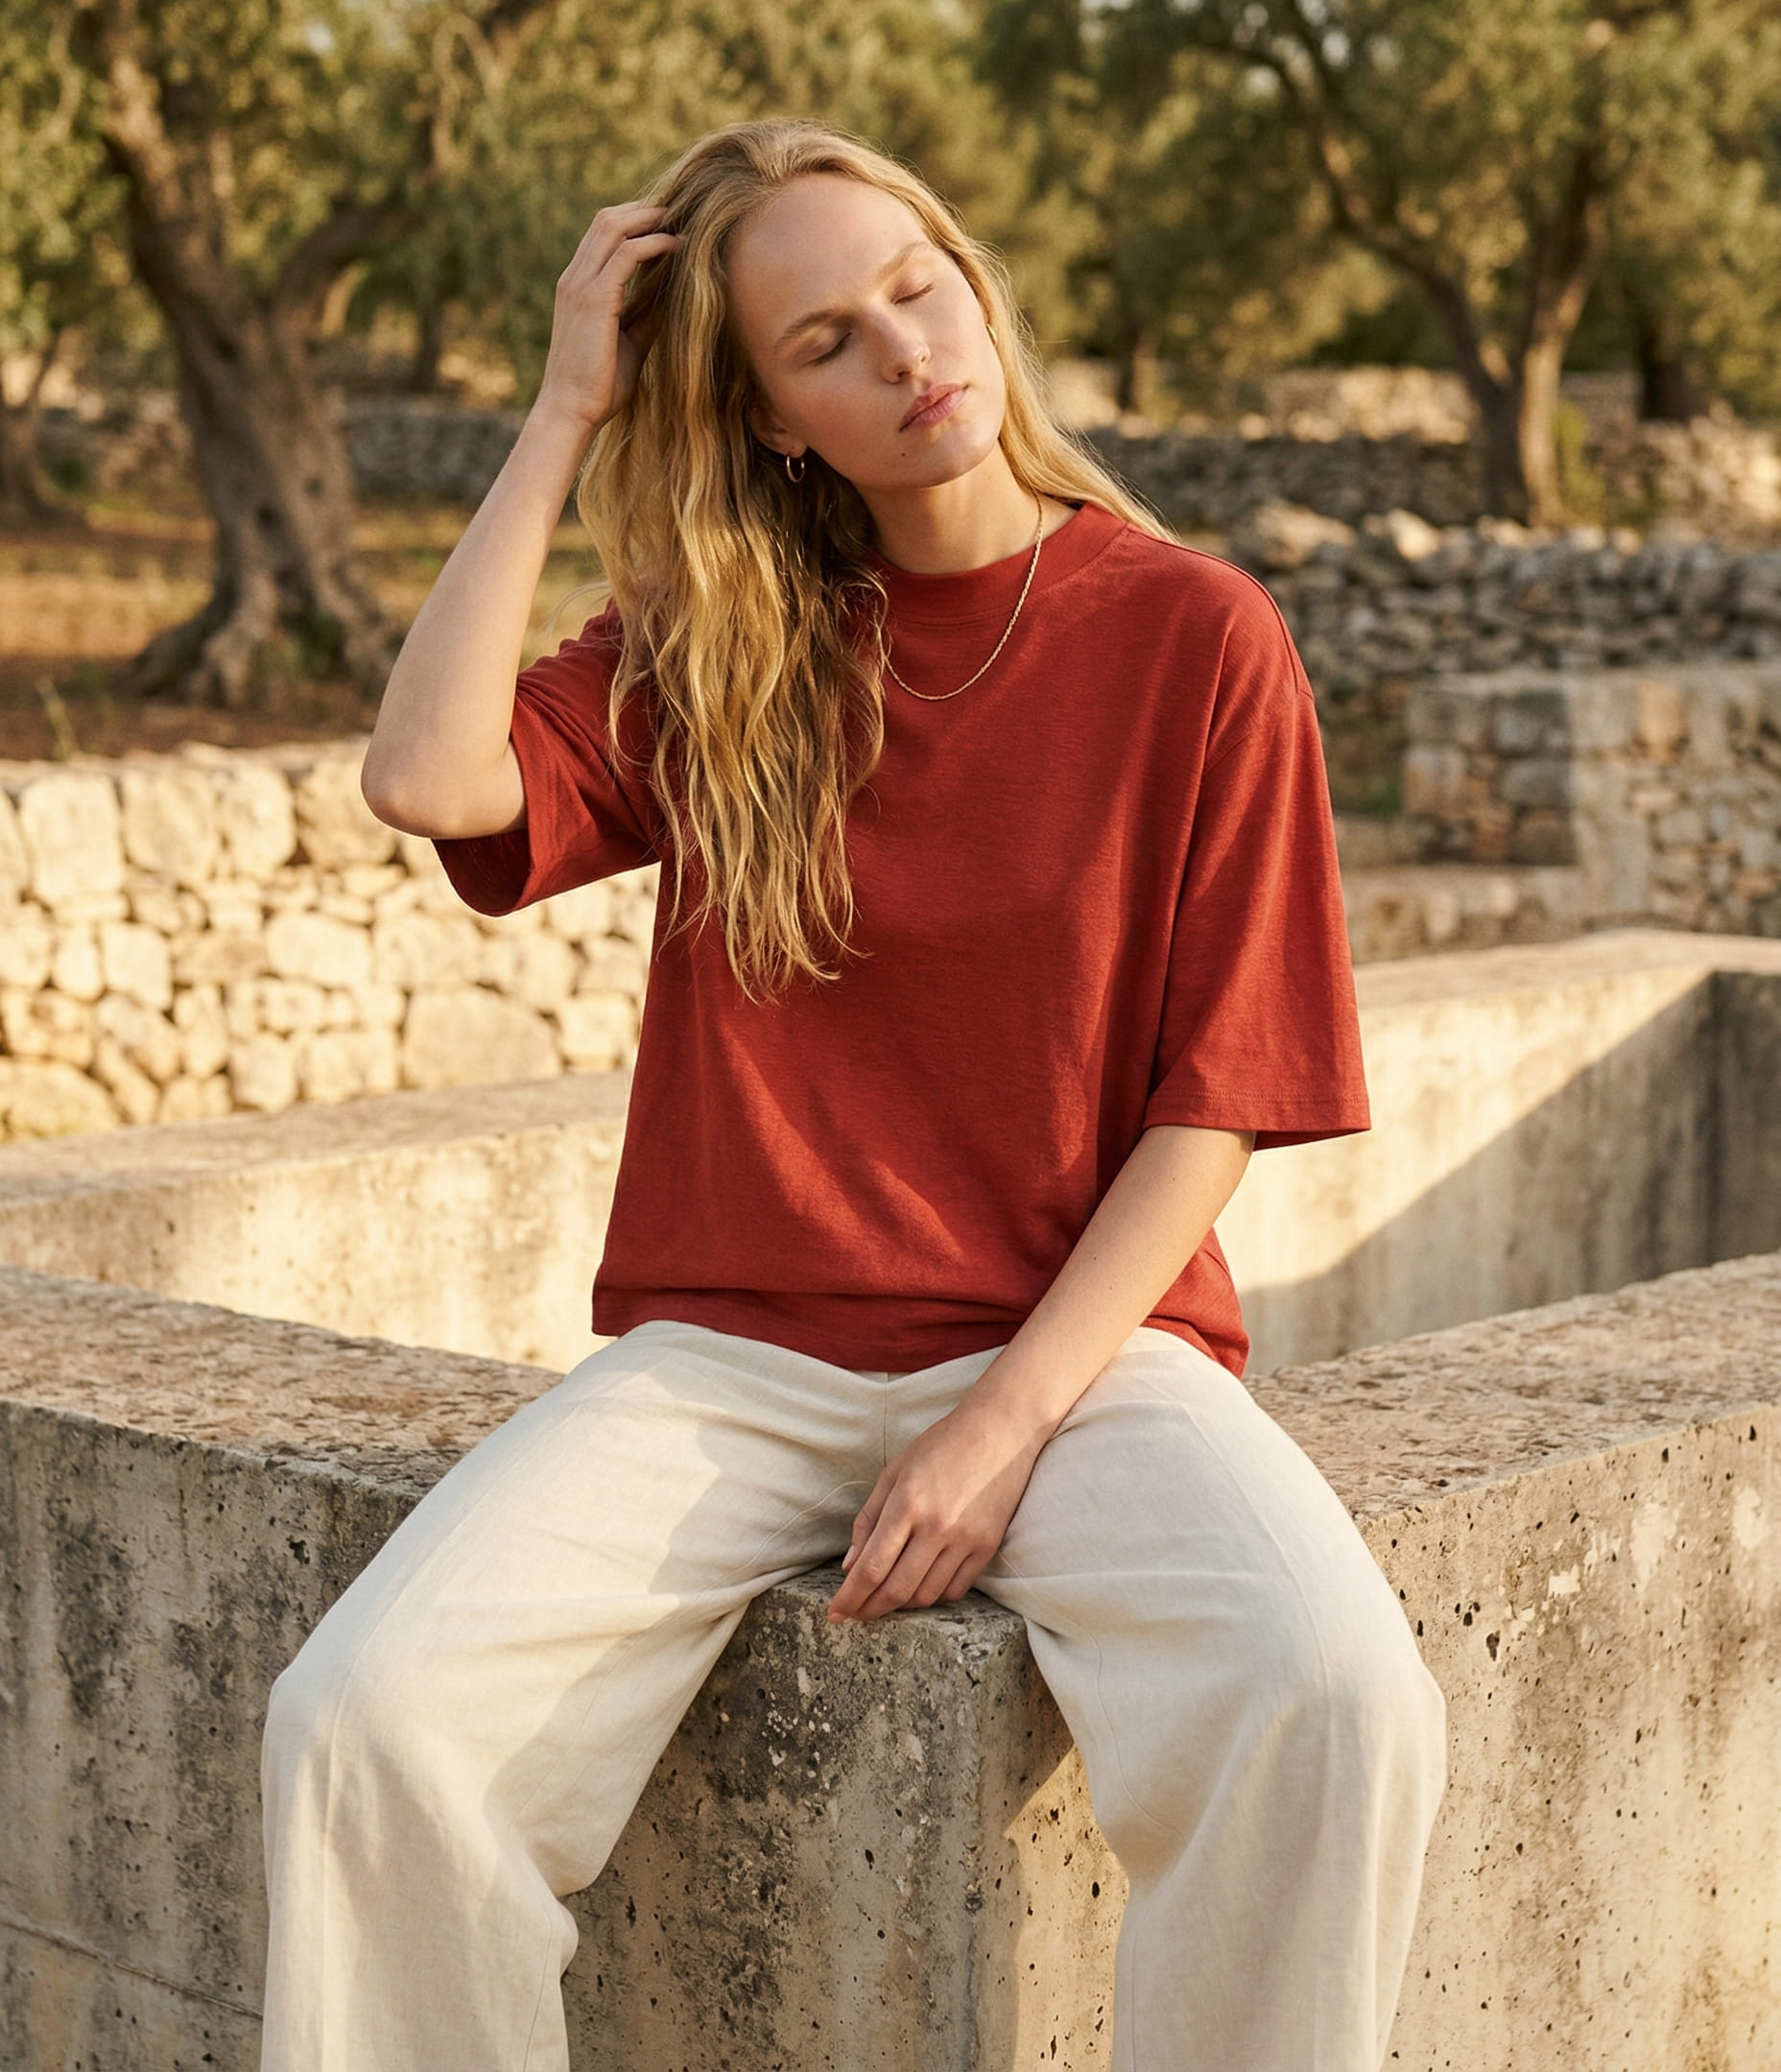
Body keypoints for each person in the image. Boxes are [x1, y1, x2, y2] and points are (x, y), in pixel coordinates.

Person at [257, 118, 1447, 2072]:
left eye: (916, 285)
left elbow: (1217, 1098)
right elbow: (427, 776)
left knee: (1334, 1697)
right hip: (728, 1361)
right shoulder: (725, 648)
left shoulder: (1197, 634)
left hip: (1085, 1361)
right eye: (823, 341)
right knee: (363, 1724)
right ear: (773, 419)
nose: (902, 348)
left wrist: (995, 1430)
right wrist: (564, 414)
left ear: (973, 281)